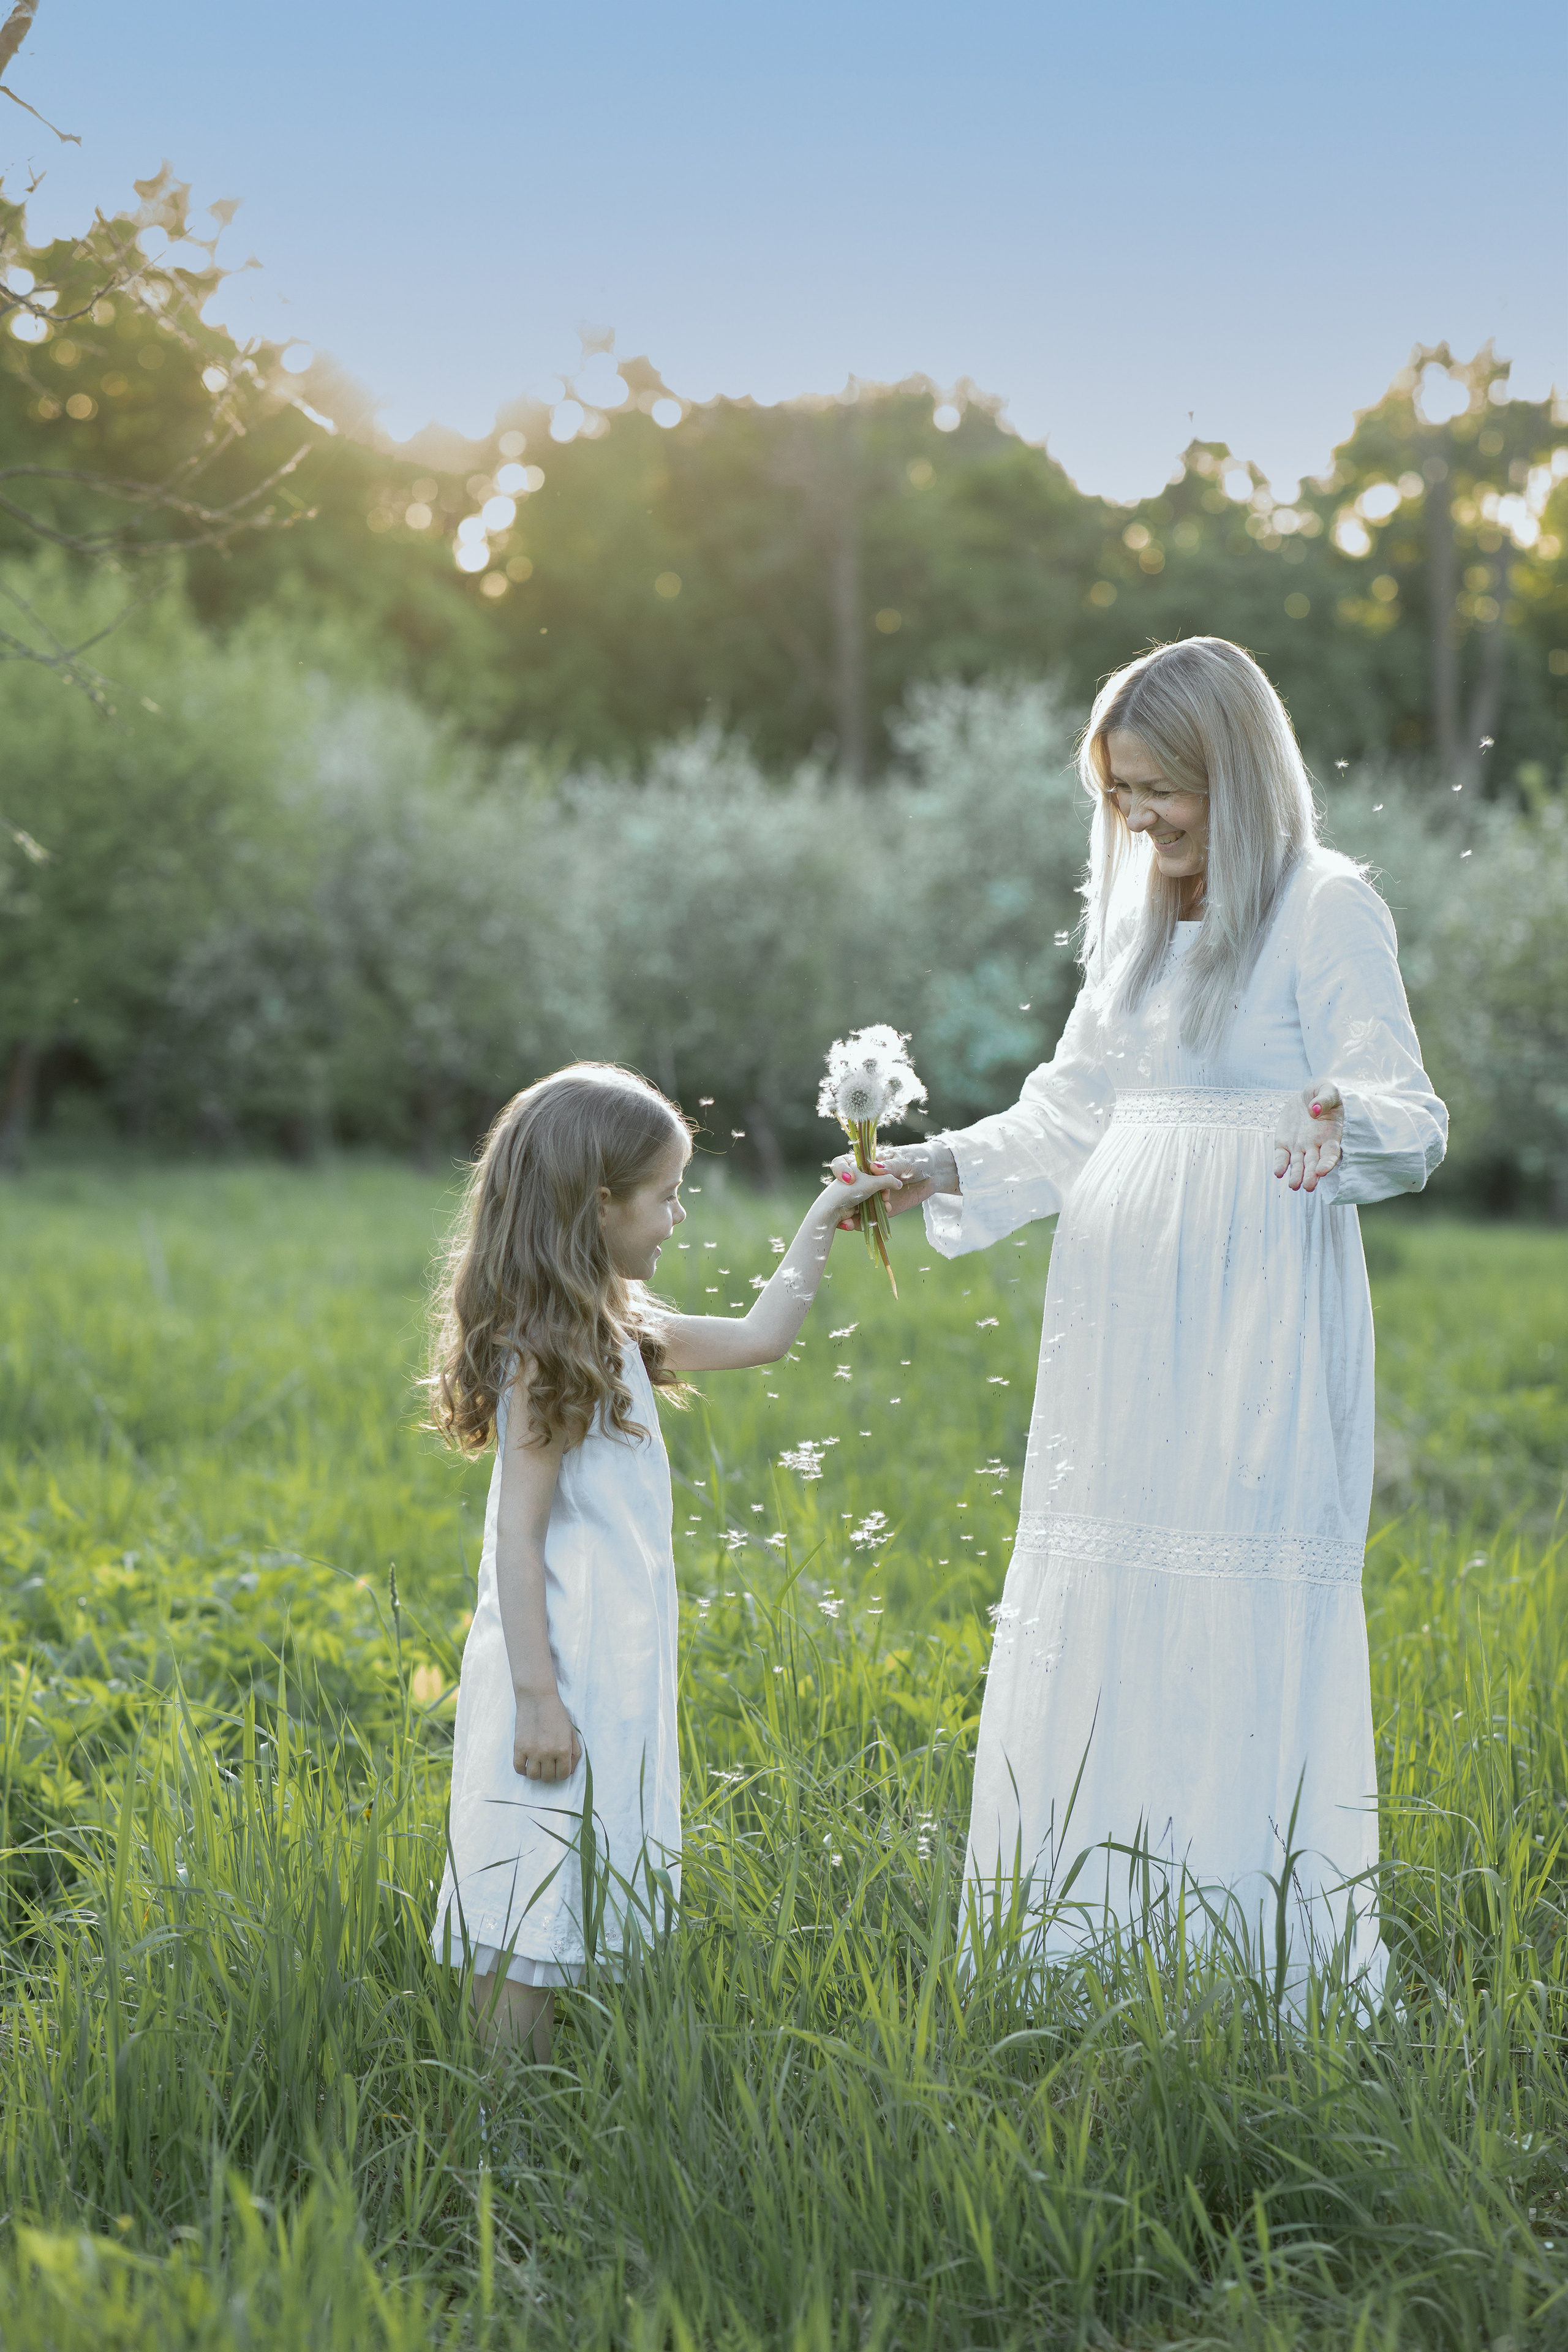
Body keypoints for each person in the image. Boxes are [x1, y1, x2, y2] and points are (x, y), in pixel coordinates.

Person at [850, 637, 1446, 1997]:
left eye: (1161, 790)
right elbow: (1071, 1110)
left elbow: (1407, 1111)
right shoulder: (1133, 919)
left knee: (1231, 1581)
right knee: (1109, 1582)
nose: (1137, 821)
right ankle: (1092, 1950)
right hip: (1118, 1316)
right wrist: (929, 1164)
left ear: (1234, 769)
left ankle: (1245, 1964)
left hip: (1255, 1304)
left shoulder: (1323, 904)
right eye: (1119, 792)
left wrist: (1336, 1124)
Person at [428, 1062, 895, 2059]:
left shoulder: (618, 1333)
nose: (678, 1217)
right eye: (666, 1197)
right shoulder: (544, 1352)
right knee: (527, 1893)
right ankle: (498, 2129)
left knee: (569, 1872)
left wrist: (827, 1211)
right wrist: (537, 1697)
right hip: (556, 1663)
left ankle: (536, 2110)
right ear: (601, 1207)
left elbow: (766, 1338)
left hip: (611, 1656)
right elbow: (516, 1534)